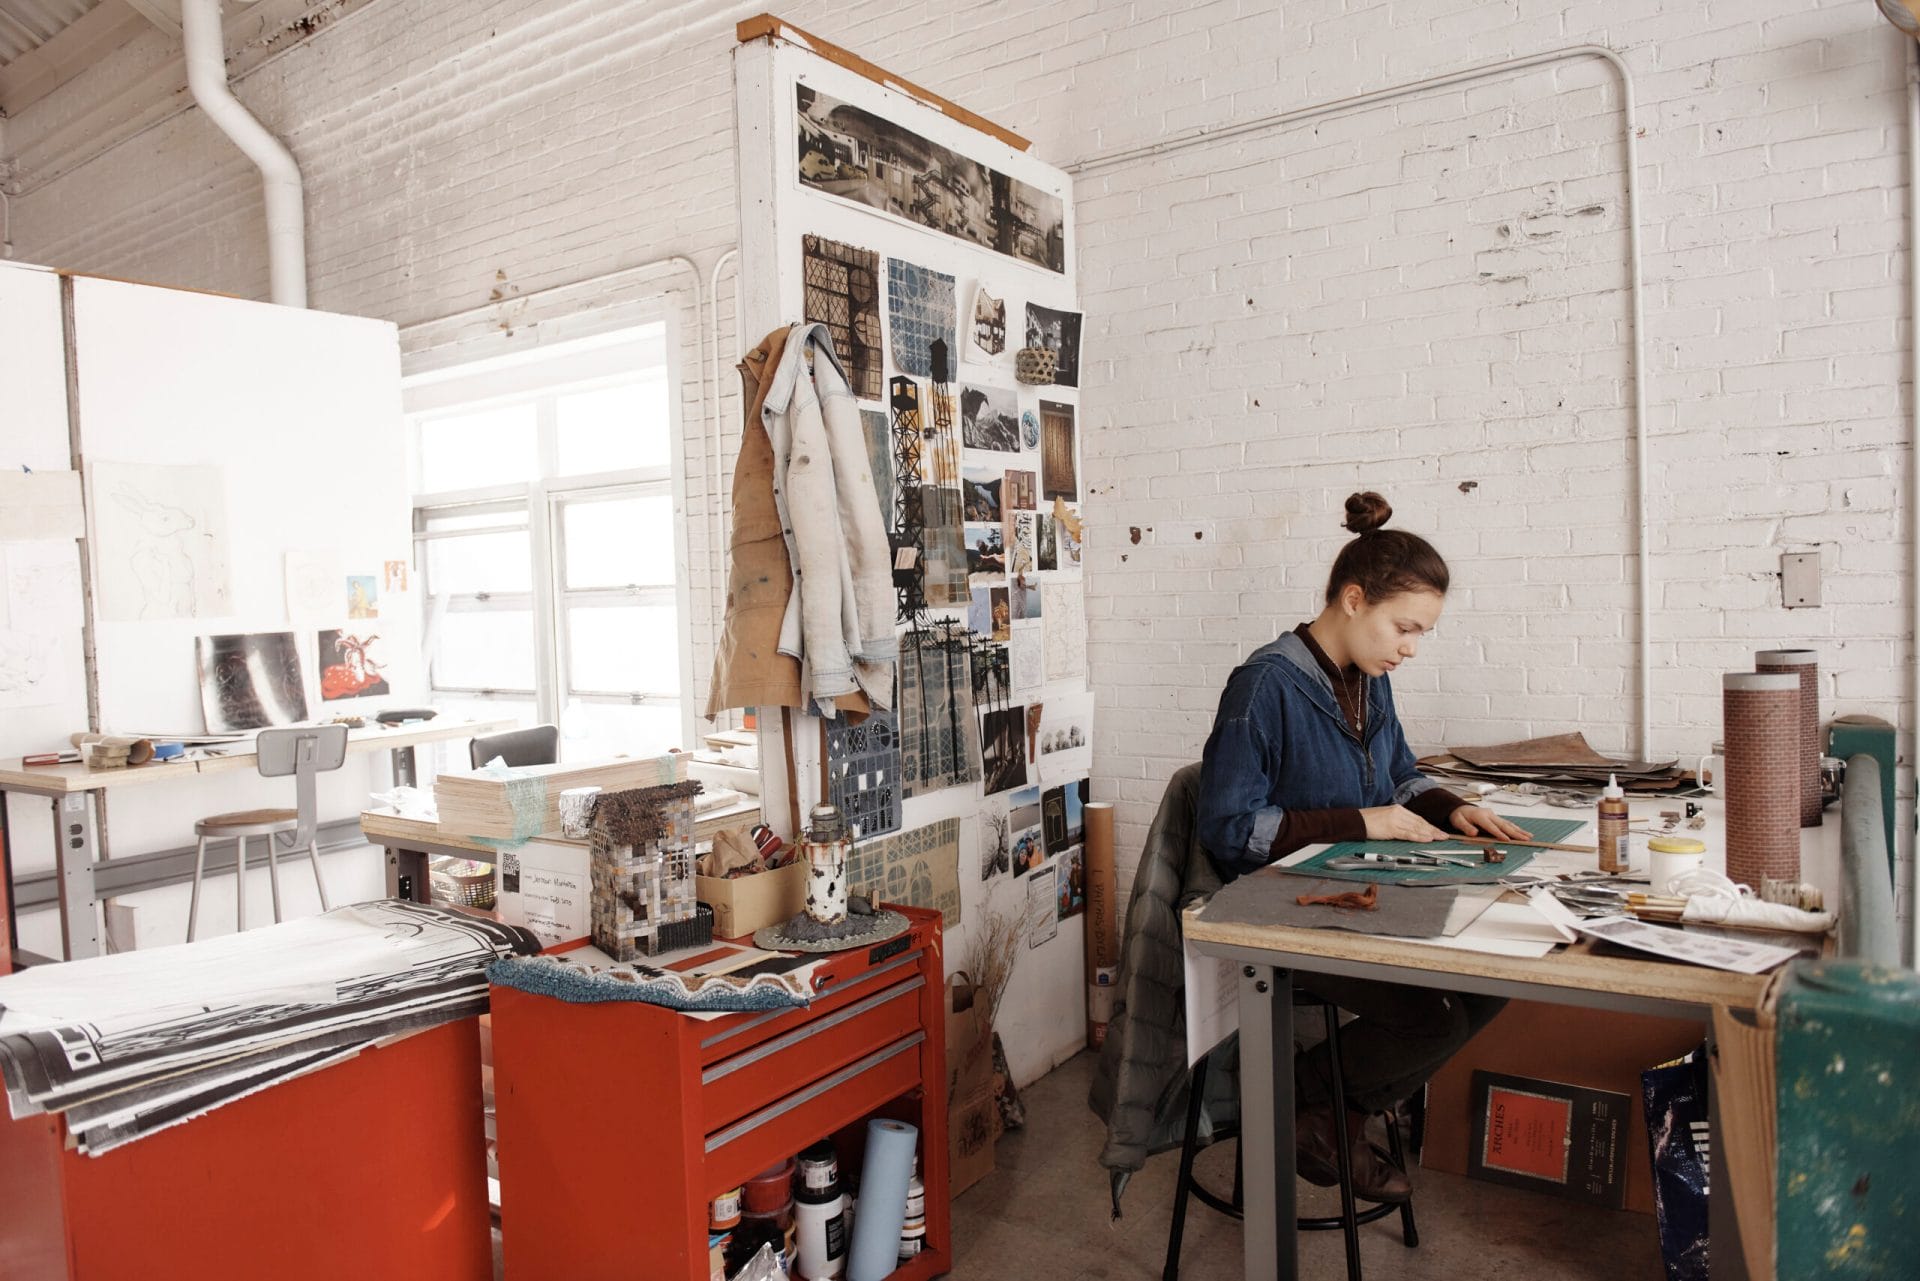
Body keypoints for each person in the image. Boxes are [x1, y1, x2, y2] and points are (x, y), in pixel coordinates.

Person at [1195, 491, 1531, 1203]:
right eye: (1404, 627)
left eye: (1421, 633)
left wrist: (1456, 808)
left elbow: (1401, 776)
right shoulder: (1265, 686)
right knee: (1431, 1014)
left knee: (1496, 977)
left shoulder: (1370, 683)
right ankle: (1303, 1102)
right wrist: (1361, 821)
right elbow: (1230, 829)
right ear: (1354, 599)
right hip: (1280, 906)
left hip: (1363, 890)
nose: (1411, 647)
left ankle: (1323, 1113)